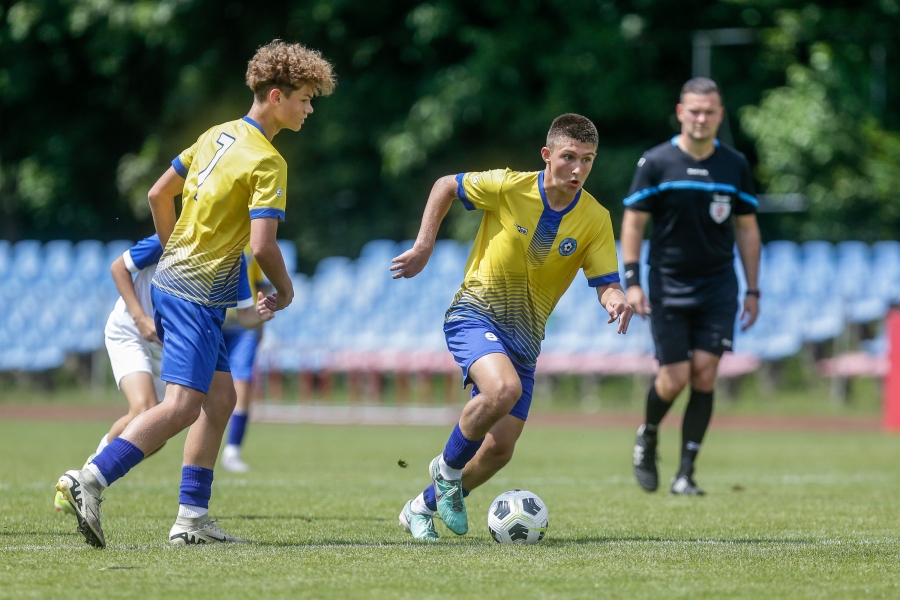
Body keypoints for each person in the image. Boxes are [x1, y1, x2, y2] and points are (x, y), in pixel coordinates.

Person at [55, 40, 335, 548]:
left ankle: (191, 519)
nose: (310, 109)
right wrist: (286, 289)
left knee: (221, 399)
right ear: (276, 96)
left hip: (183, 285)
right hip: (194, 292)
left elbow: (158, 193)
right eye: (305, 99)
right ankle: (89, 480)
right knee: (183, 405)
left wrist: (175, 245)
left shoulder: (215, 135)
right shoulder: (269, 162)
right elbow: (263, 244)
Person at [391, 114, 634, 541]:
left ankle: (420, 508)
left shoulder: (595, 217)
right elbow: (446, 184)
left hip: (525, 342)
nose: (577, 169)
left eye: (588, 160)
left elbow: (606, 283)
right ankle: (446, 471)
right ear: (547, 155)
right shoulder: (509, 186)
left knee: (500, 449)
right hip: (474, 313)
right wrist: (424, 245)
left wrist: (615, 299)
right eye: (568, 157)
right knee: (503, 391)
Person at [53, 235, 271, 514]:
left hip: (167, 342)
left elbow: (245, 316)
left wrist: (262, 312)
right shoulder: (174, 234)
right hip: (131, 331)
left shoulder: (234, 257)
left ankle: (84, 480)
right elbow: (118, 267)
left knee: (159, 431)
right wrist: (140, 318)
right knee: (144, 409)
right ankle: (85, 480)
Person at [621, 77, 761, 496]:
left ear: (720, 115)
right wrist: (632, 281)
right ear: (681, 113)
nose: (701, 118)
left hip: (719, 285)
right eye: (694, 111)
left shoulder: (734, 164)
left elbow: (748, 229)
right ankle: (647, 435)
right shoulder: (656, 162)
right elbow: (633, 222)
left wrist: (753, 289)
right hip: (668, 283)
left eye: (709, 111)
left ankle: (685, 474)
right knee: (674, 377)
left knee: (705, 374)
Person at [220, 248, 269, 473]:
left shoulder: (255, 241)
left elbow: (260, 284)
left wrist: (261, 326)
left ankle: (232, 451)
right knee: (206, 389)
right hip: (214, 320)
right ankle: (200, 451)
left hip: (244, 326)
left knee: (243, 383)